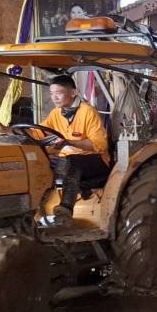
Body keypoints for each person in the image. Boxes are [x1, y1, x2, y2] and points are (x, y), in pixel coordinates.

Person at [37, 73, 112, 228]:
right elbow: (39, 132)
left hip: (95, 162)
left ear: (73, 92)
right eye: (51, 93)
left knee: (71, 162)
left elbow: (100, 144)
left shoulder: (87, 112)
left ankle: (65, 210)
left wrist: (69, 142)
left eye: (59, 93)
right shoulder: (56, 113)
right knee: (38, 162)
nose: (54, 97)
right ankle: (36, 211)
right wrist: (9, 130)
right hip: (67, 160)